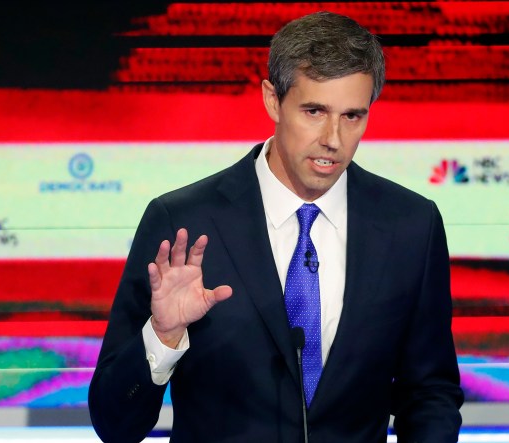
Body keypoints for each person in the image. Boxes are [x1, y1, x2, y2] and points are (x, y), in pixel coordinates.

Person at [88, 11, 464, 442]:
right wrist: (163, 336)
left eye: (352, 116)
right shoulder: (183, 222)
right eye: (314, 111)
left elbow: (430, 392)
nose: (333, 139)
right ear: (272, 100)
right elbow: (114, 425)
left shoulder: (411, 225)